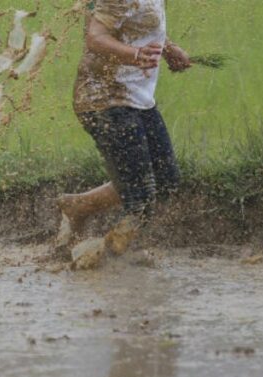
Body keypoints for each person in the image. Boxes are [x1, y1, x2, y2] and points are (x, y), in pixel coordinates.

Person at [58, 0, 191, 252]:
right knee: (140, 199)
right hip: (104, 100)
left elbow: (138, 19)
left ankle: (77, 206)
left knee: (165, 180)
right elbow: (95, 37)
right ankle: (104, 258)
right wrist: (135, 55)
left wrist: (168, 48)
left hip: (136, 99)